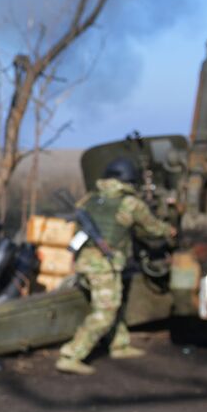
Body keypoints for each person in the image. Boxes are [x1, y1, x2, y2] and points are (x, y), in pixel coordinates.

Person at [54, 157, 175, 375]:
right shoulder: (130, 203)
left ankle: (119, 344)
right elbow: (152, 228)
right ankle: (71, 355)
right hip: (102, 264)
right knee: (105, 312)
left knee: (114, 301)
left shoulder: (90, 198)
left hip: (84, 261)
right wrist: (170, 231)